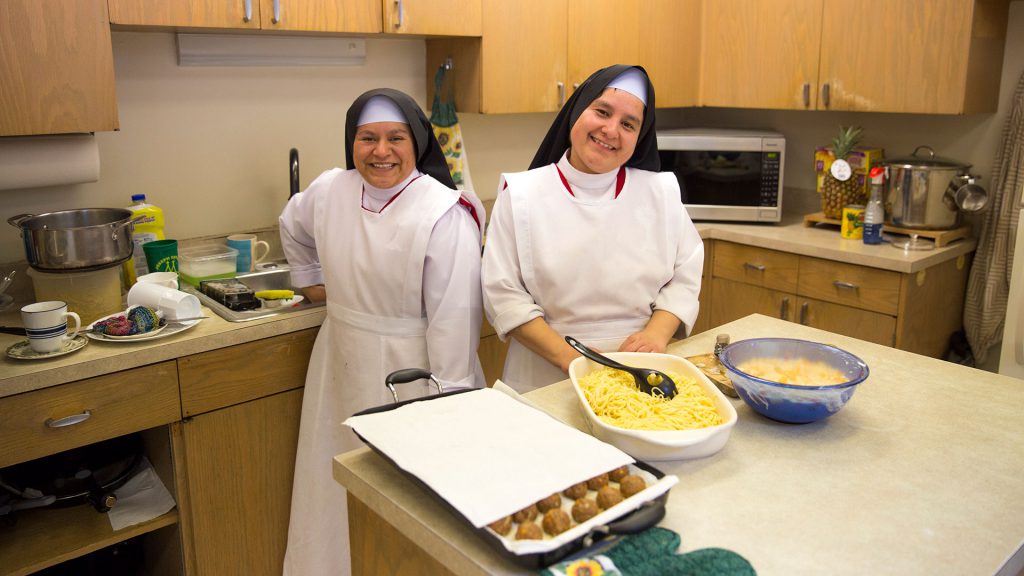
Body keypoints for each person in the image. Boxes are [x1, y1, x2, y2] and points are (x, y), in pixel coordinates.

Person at [279, 88, 486, 575]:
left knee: (410, 505)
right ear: (351, 143)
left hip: (415, 377)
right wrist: (311, 283)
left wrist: (449, 408)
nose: (381, 151)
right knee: (331, 486)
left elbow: (455, 322)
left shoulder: (444, 213)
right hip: (339, 363)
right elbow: (292, 224)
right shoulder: (331, 188)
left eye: (396, 138)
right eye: (367, 138)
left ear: (416, 143)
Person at [481, 64, 703, 393]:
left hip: (640, 371)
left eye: (628, 124)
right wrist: (570, 358)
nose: (611, 130)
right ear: (576, 111)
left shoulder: (661, 193)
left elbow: (685, 276)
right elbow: (503, 295)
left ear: (639, 137)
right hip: (544, 375)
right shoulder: (520, 195)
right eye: (602, 111)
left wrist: (657, 334)